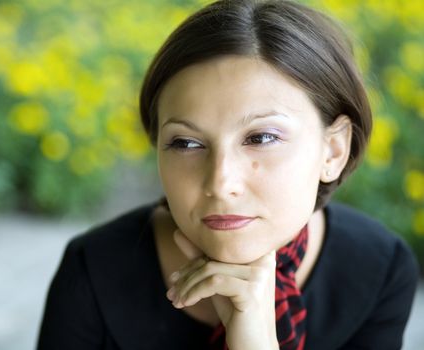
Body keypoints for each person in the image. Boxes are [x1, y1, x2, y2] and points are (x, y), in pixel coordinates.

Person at [37, 0, 419, 349]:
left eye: (262, 137)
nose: (220, 183)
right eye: (186, 143)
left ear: (333, 150)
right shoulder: (93, 269)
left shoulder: (378, 269)